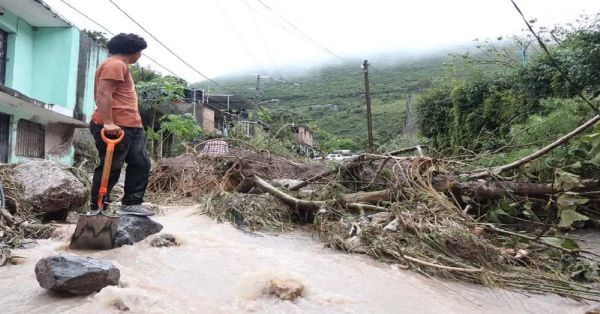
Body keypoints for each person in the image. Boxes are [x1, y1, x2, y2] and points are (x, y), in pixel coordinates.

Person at [89, 33, 153, 216]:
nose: (140, 55)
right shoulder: (115, 64)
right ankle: (98, 207)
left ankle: (131, 202)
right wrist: (108, 122)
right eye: (140, 51)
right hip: (116, 126)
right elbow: (103, 94)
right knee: (112, 166)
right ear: (133, 51)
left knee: (140, 163)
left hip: (131, 126)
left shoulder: (118, 65)